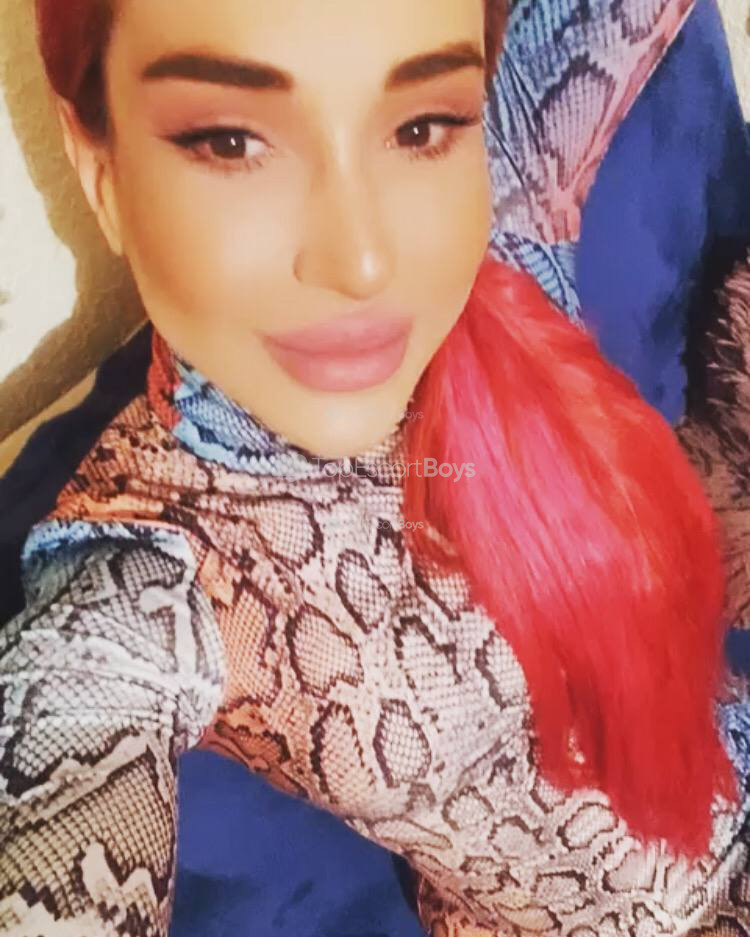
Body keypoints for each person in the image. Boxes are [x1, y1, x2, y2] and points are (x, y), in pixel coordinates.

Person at [2, 1, 749, 935]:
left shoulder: (505, 207)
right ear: (99, 167)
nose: (361, 261)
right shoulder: (144, 578)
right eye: (232, 140)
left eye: (421, 127)